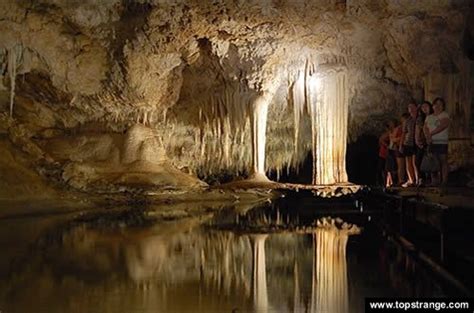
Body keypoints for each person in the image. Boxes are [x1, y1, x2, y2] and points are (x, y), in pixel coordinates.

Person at [424, 97, 450, 187]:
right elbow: (425, 127)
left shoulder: (444, 115)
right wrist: (427, 136)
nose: (438, 106)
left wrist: (431, 134)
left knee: (443, 160)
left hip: (441, 141)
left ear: (443, 106)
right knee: (433, 161)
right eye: (436, 104)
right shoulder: (429, 117)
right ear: (433, 106)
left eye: (440, 104)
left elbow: (443, 125)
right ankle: (434, 181)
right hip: (432, 142)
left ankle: (444, 181)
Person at [415, 101, 433, 186]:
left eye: (426, 106)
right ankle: (421, 178)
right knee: (418, 160)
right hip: (423, 141)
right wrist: (417, 140)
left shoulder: (433, 117)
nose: (424, 109)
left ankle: (430, 179)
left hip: (432, 140)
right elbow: (418, 130)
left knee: (430, 160)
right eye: (423, 107)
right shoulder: (420, 118)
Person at [401, 102, 418, 187]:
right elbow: (404, 133)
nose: (410, 109)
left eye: (412, 106)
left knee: (415, 162)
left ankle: (417, 179)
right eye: (409, 107)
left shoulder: (419, 118)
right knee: (409, 162)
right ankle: (411, 180)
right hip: (408, 143)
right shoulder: (407, 120)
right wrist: (401, 144)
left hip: (417, 142)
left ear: (416, 107)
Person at [388, 116, 405, 186]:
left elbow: (394, 139)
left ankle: (401, 180)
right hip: (395, 147)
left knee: (400, 165)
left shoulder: (398, 128)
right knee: (398, 165)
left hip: (397, 147)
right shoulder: (396, 129)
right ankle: (400, 180)